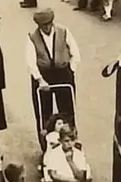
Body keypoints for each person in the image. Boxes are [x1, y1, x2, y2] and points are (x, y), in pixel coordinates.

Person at [26, 9, 81, 141]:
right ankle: (46, 144)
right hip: (43, 76)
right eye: (44, 25)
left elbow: (75, 53)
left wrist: (71, 70)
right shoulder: (32, 38)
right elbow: (30, 62)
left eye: (49, 24)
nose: (47, 27)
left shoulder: (64, 32)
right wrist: (40, 80)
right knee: (44, 112)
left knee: (67, 110)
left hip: (63, 73)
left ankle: (69, 140)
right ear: (38, 25)